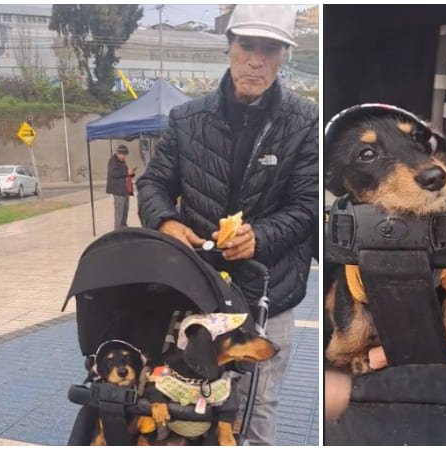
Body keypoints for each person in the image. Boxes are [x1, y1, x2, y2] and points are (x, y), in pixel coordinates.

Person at [136, 4, 318, 445]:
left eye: (269, 49)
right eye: (247, 46)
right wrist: (165, 221)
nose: (256, 60)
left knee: (257, 406)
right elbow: (153, 184)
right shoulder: (187, 118)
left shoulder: (304, 120)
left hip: (268, 290)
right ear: (229, 47)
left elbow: (309, 204)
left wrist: (262, 236)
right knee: (181, 397)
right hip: (195, 287)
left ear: (283, 56)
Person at [106, 144, 135, 229]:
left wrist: (131, 173)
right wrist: (127, 172)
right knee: (119, 210)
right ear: (118, 153)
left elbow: (125, 173)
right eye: (123, 155)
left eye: (125, 155)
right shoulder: (112, 161)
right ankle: (118, 228)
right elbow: (114, 173)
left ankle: (123, 225)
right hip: (118, 190)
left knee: (125, 209)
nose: (124, 157)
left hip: (125, 189)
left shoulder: (122, 161)